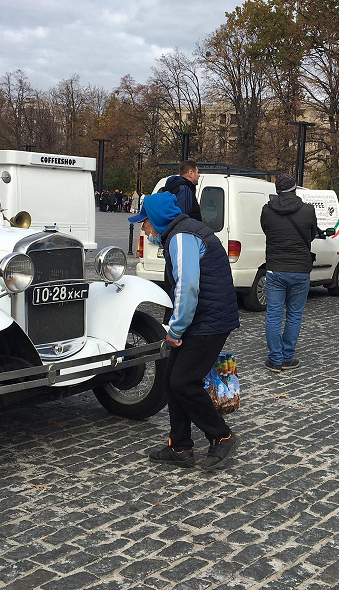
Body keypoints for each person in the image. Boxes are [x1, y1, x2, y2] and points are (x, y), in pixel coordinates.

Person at [129, 191, 240, 470]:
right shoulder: (184, 232)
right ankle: (179, 446)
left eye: (145, 223)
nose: (143, 229)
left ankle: (221, 435)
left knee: (183, 381)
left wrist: (175, 330)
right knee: (171, 379)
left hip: (208, 320)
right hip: (206, 317)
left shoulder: (180, 237)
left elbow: (188, 287)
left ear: (157, 220)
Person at [260, 173, 319, 373]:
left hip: (275, 268)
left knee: (274, 315)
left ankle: (274, 359)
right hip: (300, 270)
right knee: (294, 315)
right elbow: (311, 235)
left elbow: (266, 231)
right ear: (295, 190)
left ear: (277, 192)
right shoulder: (308, 210)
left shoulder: (267, 211)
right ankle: (287, 357)